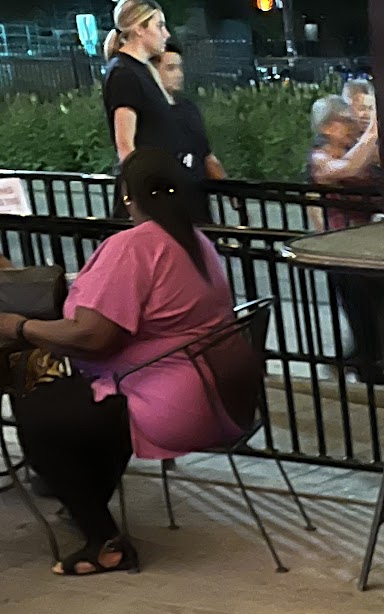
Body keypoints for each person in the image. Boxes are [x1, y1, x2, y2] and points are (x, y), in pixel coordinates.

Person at [0, 149, 236, 576]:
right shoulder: (195, 241)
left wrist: (19, 327)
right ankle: (84, 502)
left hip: (164, 400)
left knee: (38, 407)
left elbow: (92, 336)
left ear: (127, 194)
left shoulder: (134, 245)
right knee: (69, 400)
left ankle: (103, 540)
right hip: (213, 389)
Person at [306, 95, 384, 384]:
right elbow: (347, 169)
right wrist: (374, 128)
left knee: (376, 316)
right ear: (328, 127)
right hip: (343, 251)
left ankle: (360, 364)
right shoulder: (320, 158)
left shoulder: (354, 152)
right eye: (346, 121)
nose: (353, 126)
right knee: (363, 316)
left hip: (366, 250)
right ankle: (366, 372)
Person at [101, 1, 174, 174]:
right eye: (159, 26)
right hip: (148, 185)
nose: (166, 34)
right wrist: (146, 184)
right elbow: (125, 147)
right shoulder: (123, 73)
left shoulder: (141, 70)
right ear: (139, 29)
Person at [154, 39, 227, 213]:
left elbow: (205, 154)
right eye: (170, 68)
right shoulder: (149, 113)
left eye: (180, 68)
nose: (179, 74)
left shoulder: (189, 109)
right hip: (166, 207)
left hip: (196, 203)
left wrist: (231, 191)